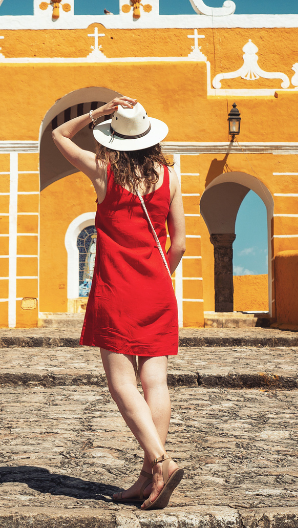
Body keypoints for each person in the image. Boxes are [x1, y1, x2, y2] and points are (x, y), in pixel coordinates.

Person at [52, 95, 186, 510]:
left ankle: (161, 461)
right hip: (158, 286)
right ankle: (149, 477)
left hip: (117, 288)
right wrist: (158, 275)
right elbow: (178, 244)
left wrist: (98, 113)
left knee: (121, 382)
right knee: (155, 382)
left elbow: (58, 134)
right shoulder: (171, 175)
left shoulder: (103, 172)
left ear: (114, 140)